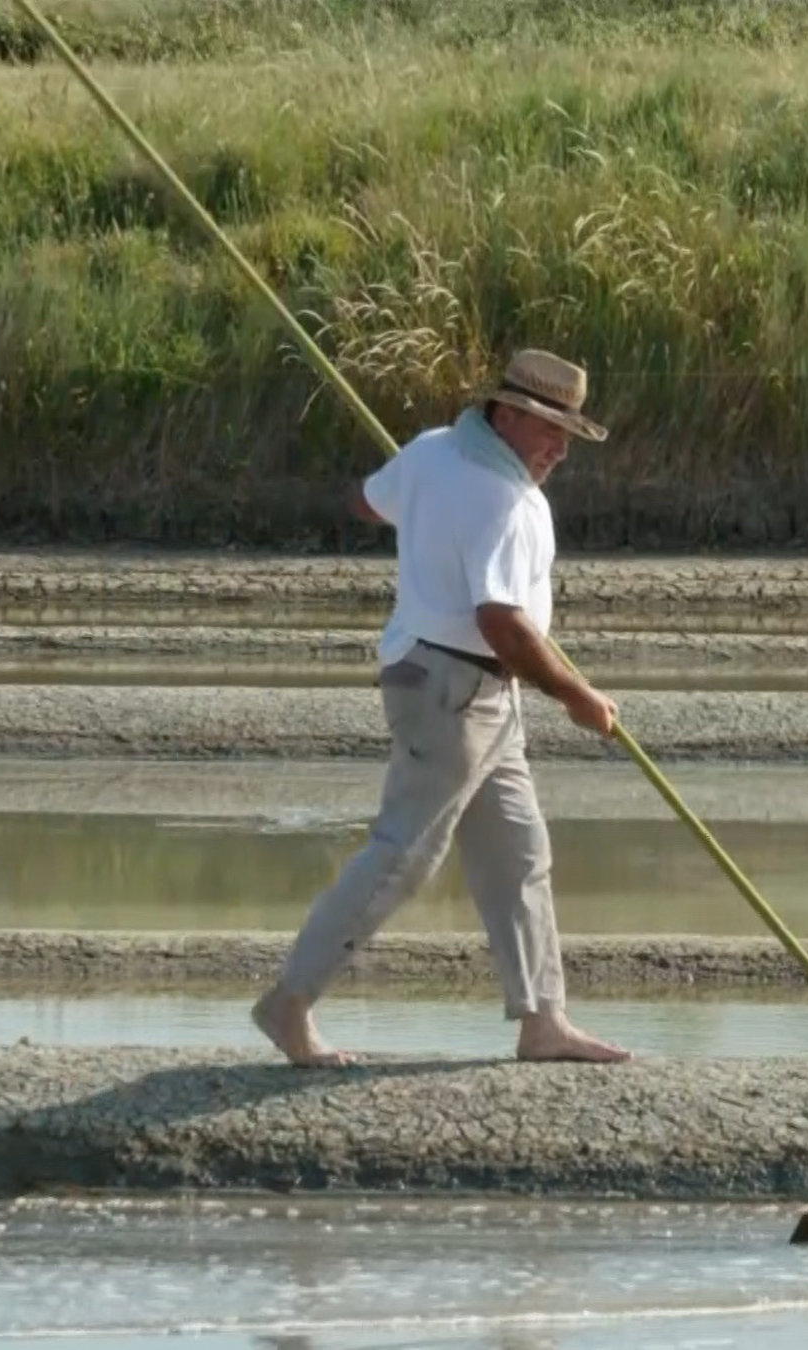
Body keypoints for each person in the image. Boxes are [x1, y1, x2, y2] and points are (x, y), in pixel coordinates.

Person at [250, 349, 632, 1067]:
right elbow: (503, 624)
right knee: (403, 856)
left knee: (518, 854)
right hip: (450, 691)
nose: (558, 450)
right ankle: (289, 1003)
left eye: (566, 435)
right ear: (507, 414)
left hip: (475, 691)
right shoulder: (503, 498)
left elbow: (367, 502)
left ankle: (543, 1020)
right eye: (549, 430)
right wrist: (577, 695)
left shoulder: (431, 451)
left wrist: (427, 511)